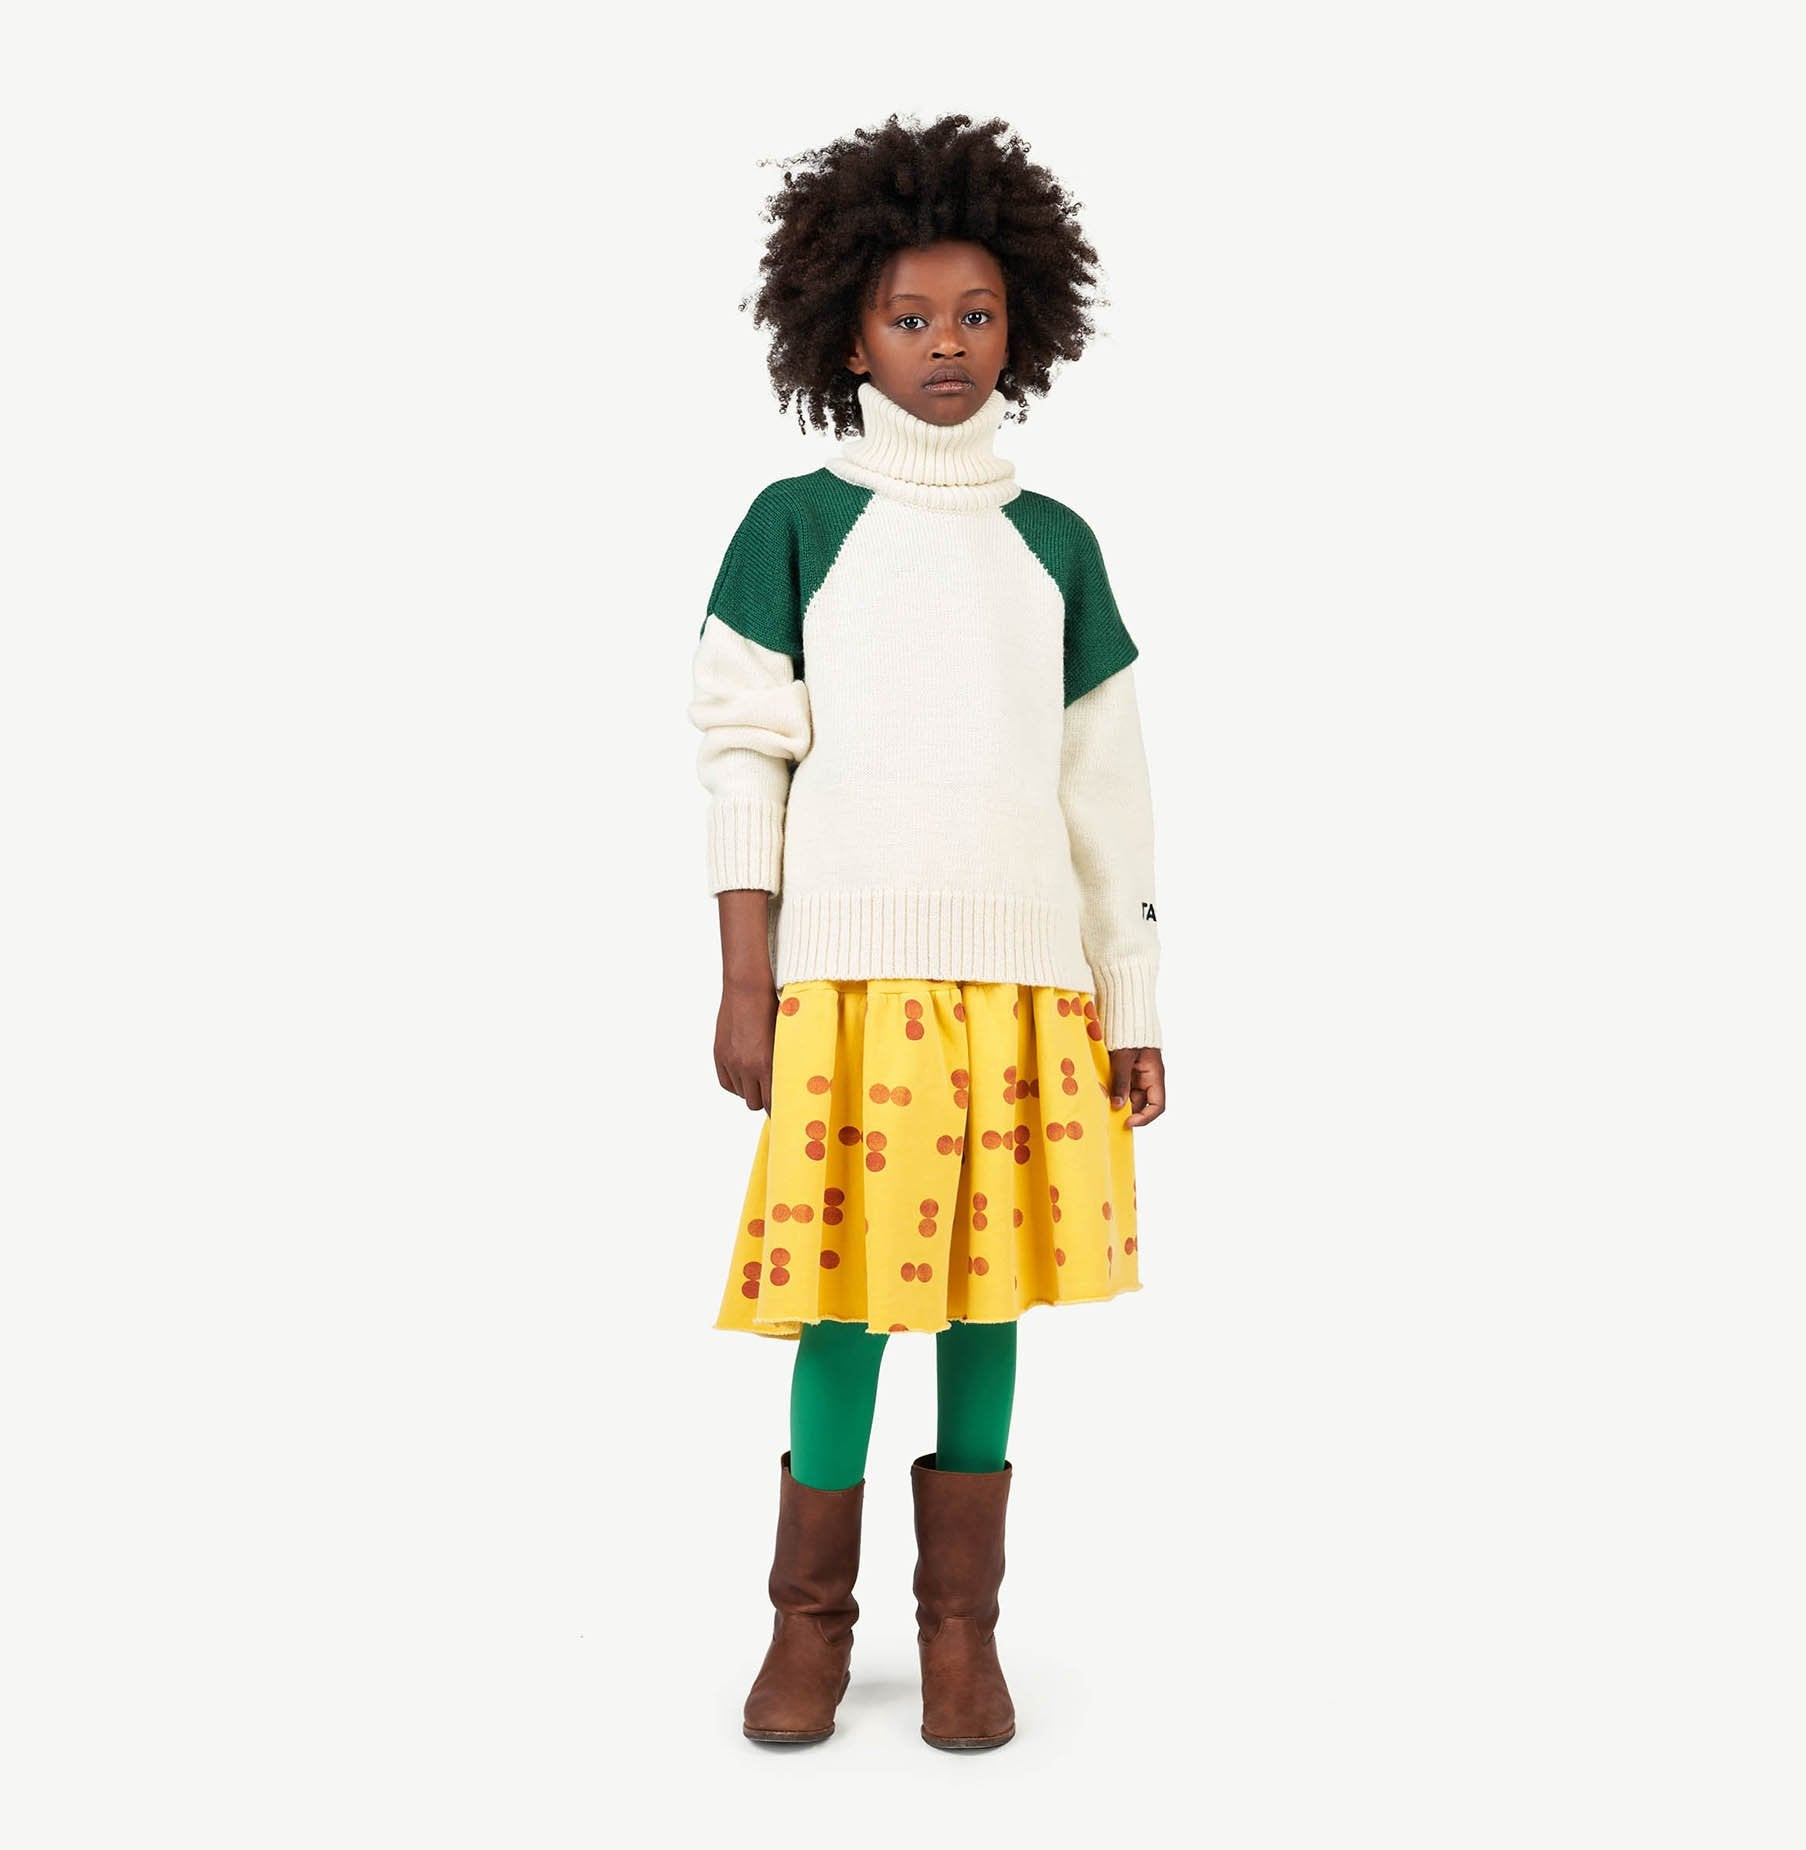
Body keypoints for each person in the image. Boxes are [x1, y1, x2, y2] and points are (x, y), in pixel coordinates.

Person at [687, 111, 1167, 1751]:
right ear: (846, 337)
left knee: (984, 1301)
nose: (945, 343)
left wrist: (1131, 997)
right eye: (909, 317)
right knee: (841, 1298)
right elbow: (741, 750)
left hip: (1027, 991)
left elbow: (1106, 791)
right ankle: (806, 1629)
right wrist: (744, 976)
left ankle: (961, 1630)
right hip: (849, 988)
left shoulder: (1056, 546)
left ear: (1021, 324)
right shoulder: (795, 522)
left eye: (974, 314)